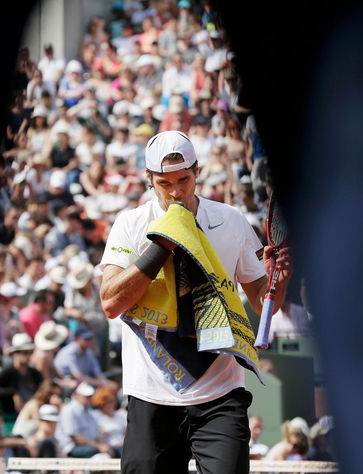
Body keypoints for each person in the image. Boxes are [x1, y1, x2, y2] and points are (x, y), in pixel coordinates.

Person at [98, 130, 292, 473]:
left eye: (183, 180)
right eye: (164, 183)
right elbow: (111, 303)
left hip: (220, 394)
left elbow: (264, 306)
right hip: (151, 396)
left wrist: (281, 280)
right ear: (149, 179)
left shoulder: (230, 221)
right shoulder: (130, 224)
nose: (176, 191)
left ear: (197, 172)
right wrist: (164, 242)